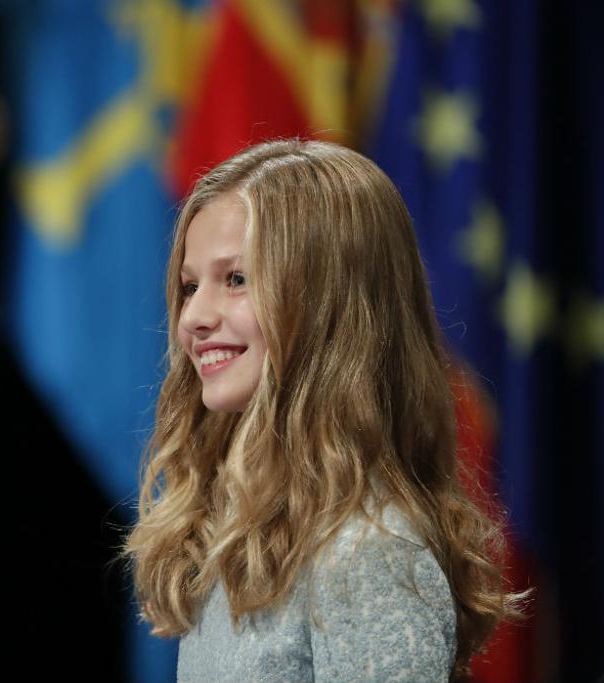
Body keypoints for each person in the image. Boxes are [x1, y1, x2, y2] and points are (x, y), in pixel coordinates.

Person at [123, 139, 526, 682]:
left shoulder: (368, 555)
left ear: (327, 305)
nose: (192, 316)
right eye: (191, 286)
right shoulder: (241, 538)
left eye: (236, 279)